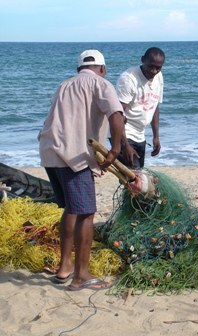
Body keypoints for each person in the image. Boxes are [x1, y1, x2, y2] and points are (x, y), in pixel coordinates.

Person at [38, 50, 125, 290]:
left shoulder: (64, 85)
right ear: (103, 68)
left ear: (78, 69)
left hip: (49, 152)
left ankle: (65, 266)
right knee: (86, 212)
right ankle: (81, 275)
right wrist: (115, 150)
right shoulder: (101, 83)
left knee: (72, 209)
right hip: (73, 158)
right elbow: (117, 116)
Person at [115, 47, 165, 169]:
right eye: (151, 66)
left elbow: (154, 106)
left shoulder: (158, 77)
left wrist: (156, 137)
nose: (154, 71)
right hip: (124, 133)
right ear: (142, 60)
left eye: (158, 68)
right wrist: (125, 145)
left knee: (136, 176)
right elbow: (117, 115)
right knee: (135, 179)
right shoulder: (128, 79)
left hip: (140, 134)